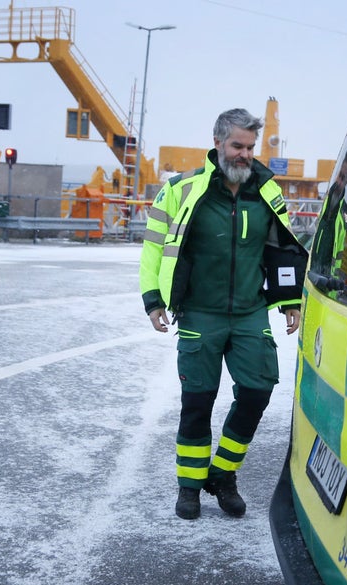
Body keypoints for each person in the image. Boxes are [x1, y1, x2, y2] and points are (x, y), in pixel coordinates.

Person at [140, 108, 307, 520]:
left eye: (250, 147)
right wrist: (153, 300)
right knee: (197, 401)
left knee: (258, 390)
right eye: (237, 146)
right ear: (217, 143)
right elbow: (153, 247)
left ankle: (223, 473)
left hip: (250, 313)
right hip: (200, 314)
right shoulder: (182, 189)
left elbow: (282, 249)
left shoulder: (266, 191)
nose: (245, 155)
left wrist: (289, 300)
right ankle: (189, 487)